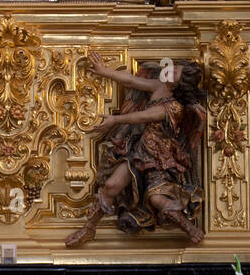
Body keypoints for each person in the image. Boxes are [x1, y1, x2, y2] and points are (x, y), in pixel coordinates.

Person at [65, 55, 205, 246]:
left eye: (174, 72)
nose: (169, 71)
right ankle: (89, 229)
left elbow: (143, 116)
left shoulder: (175, 107)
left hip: (158, 158)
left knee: (157, 199)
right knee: (110, 186)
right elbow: (132, 81)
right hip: (139, 150)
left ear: (180, 84)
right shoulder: (160, 87)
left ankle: (189, 227)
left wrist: (114, 120)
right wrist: (104, 71)